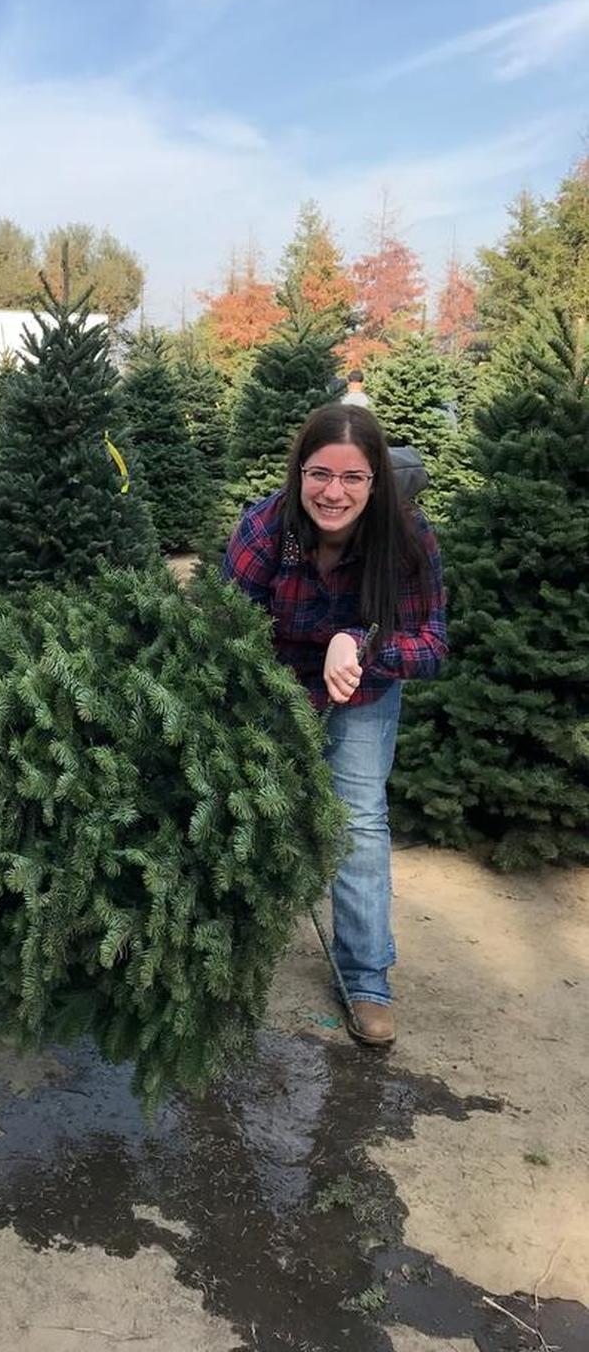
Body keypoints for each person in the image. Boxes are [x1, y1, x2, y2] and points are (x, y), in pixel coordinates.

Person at [223, 403, 446, 1048]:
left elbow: (431, 643)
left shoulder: (404, 539)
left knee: (358, 821)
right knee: (247, 809)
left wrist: (360, 644)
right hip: (277, 680)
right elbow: (223, 627)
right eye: (320, 474)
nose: (333, 492)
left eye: (353, 478)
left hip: (363, 689)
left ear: (375, 481)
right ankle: (227, 956)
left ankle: (366, 980)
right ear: (299, 473)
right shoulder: (267, 531)